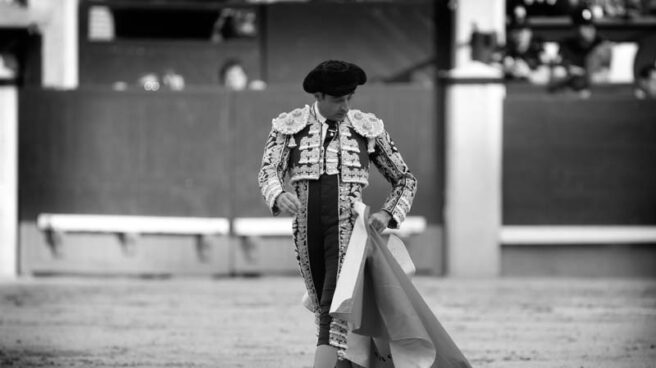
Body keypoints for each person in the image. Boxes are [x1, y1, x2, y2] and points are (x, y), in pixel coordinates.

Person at [257, 60, 417, 368]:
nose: (346, 106)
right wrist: (278, 195)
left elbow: (405, 178)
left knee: (334, 307)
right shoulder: (290, 127)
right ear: (318, 96)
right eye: (338, 100)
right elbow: (269, 171)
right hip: (305, 233)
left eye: (350, 98)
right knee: (323, 309)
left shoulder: (366, 128)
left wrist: (387, 213)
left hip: (348, 230)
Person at [551, 6, 612, 95]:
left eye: (591, 26)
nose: (590, 30)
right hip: (570, 92)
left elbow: (601, 77)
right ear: (575, 29)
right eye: (585, 26)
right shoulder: (567, 46)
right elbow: (558, 74)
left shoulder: (602, 46)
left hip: (595, 95)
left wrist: (583, 74)